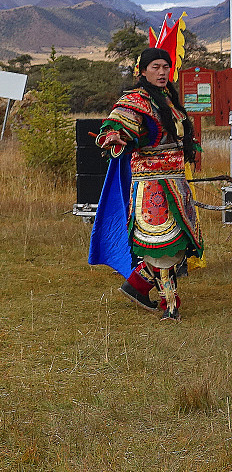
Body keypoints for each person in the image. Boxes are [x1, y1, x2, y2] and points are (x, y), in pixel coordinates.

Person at [97, 47, 201, 322]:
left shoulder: (169, 100)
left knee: (178, 241)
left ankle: (137, 285)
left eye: (166, 67)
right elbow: (116, 127)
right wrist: (114, 137)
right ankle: (170, 305)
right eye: (155, 67)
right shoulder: (136, 101)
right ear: (142, 71)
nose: (162, 72)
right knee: (162, 244)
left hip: (176, 181)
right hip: (152, 184)